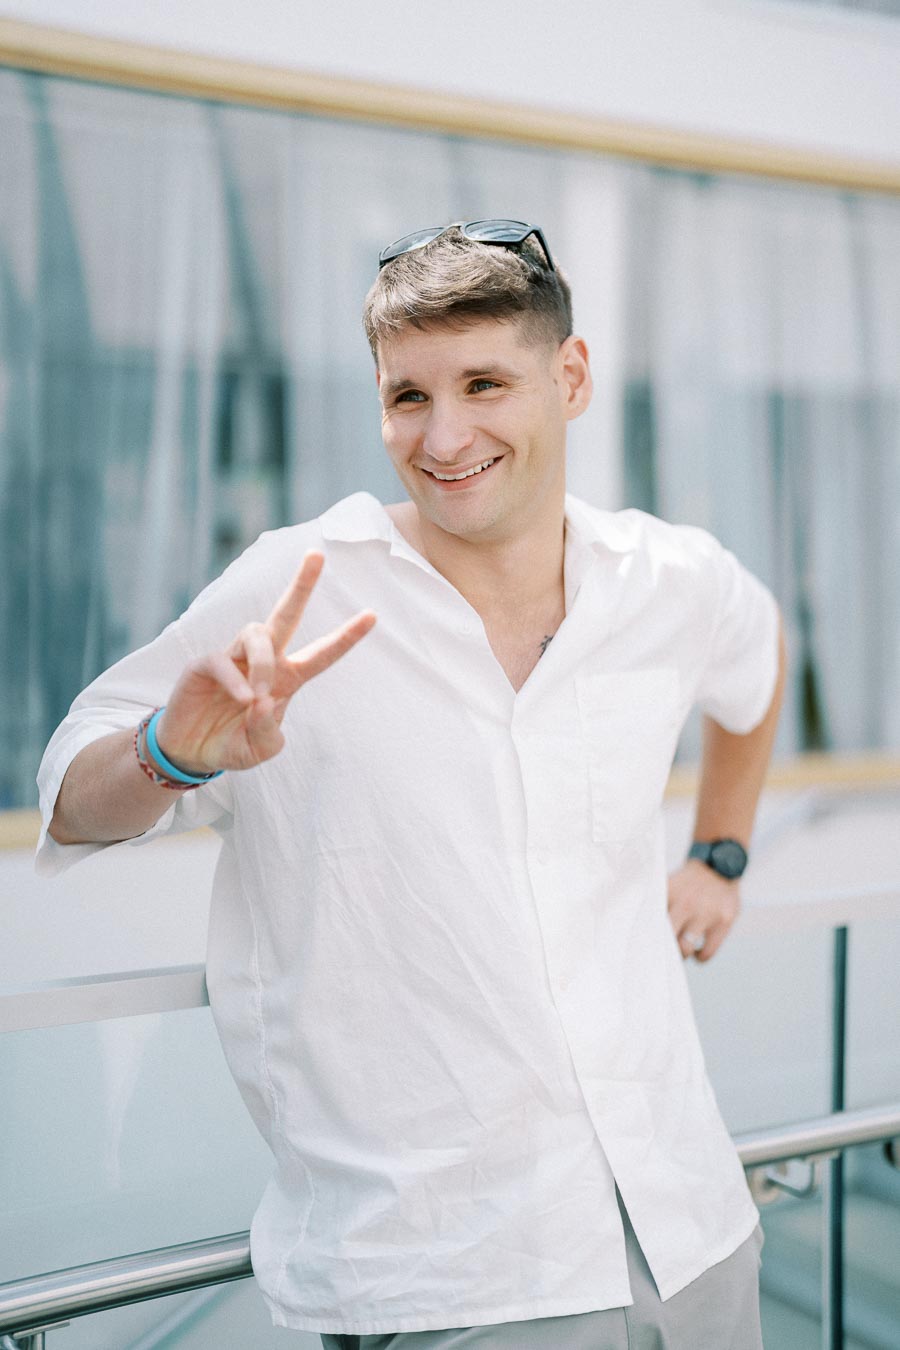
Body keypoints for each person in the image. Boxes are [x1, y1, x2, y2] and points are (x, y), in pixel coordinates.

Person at [38, 219, 785, 1349]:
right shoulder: (297, 587)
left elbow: (758, 658)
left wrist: (719, 855)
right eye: (407, 397)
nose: (443, 437)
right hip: (451, 1274)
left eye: (485, 384)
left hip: (692, 1228)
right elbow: (71, 800)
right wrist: (170, 750)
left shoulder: (666, 577)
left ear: (571, 378)